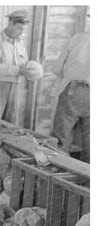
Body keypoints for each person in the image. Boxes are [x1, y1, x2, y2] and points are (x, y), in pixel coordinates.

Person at [0, 9, 31, 126]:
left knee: (11, 123)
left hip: (15, 87)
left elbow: (24, 62)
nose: (21, 33)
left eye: (23, 30)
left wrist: (29, 69)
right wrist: (18, 70)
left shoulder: (20, 43)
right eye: (19, 28)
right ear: (10, 24)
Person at [51, 26, 90, 163]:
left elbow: (57, 68)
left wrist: (68, 77)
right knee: (90, 142)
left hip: (74, 90)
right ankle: (87, 179)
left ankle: (58, 171)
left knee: (61, 138)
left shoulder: (77, 38)